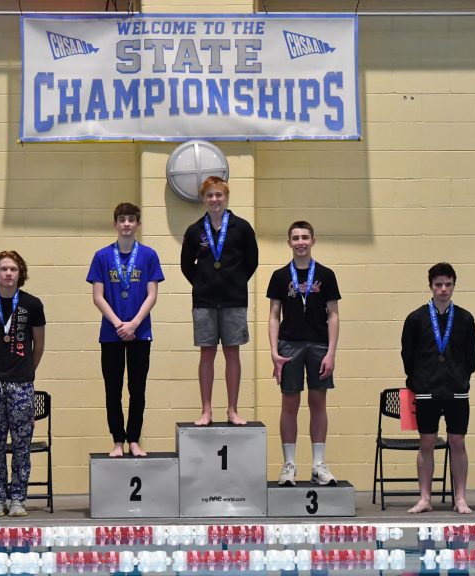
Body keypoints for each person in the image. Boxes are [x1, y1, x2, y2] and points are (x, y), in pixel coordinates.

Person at [0, 250, 46, 517]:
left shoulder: (32, 304)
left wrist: (25, 372)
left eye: (13, 269)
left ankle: (18, 499)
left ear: (20, 273)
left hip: (22, 384)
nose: (8, 274)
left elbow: (38, 346)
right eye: (4, 269)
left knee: (22, 444)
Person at [87, 203, 165, 457]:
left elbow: (152, 295)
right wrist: (119, 324)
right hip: (111, 334)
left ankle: (134, 439)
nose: (127, 224)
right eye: (122, 220)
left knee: (137, 388)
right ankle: (117, 441)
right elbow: (98, 296)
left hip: (140, 333)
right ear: (115, 224)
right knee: (113, 388)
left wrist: (134, 324)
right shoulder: (102, 256)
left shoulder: (149, 255)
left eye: (132, 220)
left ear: (138, 224)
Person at [266, 221, 341, 487]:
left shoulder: (326, 274)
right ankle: (289, 465)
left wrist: (331, 353)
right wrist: (274, 352)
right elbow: (274, 316)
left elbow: (333, 315)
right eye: (295, 238)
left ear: (313, 240)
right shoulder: (279, 276)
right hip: (289, 345)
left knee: (318, 404)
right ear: (289, 242)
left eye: (305, 237)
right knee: (290, 404)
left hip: (319, 347)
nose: (300, 242)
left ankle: (318, 465)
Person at [180, 176, 258, 426]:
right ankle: (206, 411)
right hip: (204, 301)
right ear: (203, 199)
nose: (214, 199)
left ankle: (232, 410)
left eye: (219, 195)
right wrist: (203, 283)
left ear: (226, 197)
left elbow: (251, 261)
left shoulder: (242, 227)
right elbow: (185, 265)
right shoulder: (194, 230)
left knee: (232, 352)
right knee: (207, 354)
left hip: (234, 300)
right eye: (210, 195)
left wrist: (234, 281)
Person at [401, 263, 475, 514]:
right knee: (427, 442)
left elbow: (471, 357)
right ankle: (425, 498)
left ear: (454, 285)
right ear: (431, 286)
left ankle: (461, 498)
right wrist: (419, 380)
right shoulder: (415, 318)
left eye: (448, 284)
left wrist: (459, 377)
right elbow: (407, 355)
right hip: (426, 390)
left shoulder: (465, 318)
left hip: (456, 390)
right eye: (438, 285)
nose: (443, 289)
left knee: (457, 441)